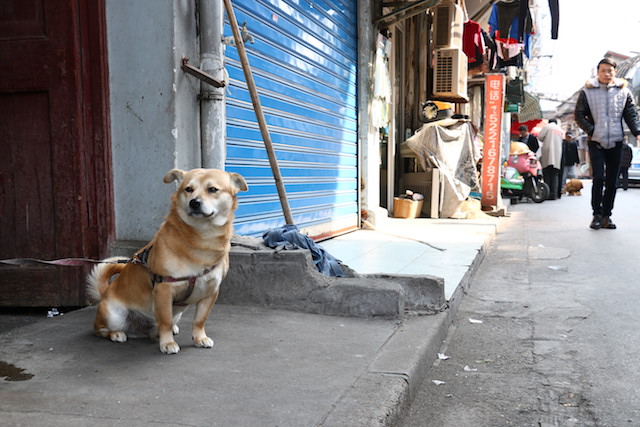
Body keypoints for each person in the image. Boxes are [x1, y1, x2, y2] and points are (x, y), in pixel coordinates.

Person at [575, 57, 640, 229]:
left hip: (617, 141)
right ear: (598, 72)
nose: (606, 73)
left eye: (610, 70)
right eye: (603, 70)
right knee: (598, 178)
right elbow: (579, 115)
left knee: (612, 182)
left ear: (615, 72)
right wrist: (592, 130)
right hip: (596, 141)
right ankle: (596, 215)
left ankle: (606, 216)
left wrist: (637, 133)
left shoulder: (624, 91)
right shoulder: (587, 91)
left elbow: (631, 114)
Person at [537, 118, 564, 200]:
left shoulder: (547, 127)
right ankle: (554, 194)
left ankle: (547, 194)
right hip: (557, 154)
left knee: (547, 174)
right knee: (555, 174)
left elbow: (540, 137)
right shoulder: (560, 130)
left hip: (548, 152)